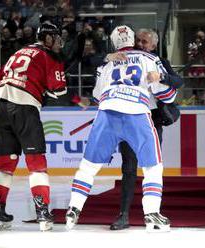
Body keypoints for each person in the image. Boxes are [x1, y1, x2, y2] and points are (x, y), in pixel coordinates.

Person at [65, 25, 177, 232]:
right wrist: (161, 82)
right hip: (137, 113)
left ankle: (73, 208)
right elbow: (168, 96)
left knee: (88, 166)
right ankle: (152, 214)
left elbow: (98, 97)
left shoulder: (106, 63)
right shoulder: (150, 60)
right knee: (153, 167)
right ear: (133, 40)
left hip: (107, 113)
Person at [0, 22, 84, 232]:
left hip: (0, 106)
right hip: (24, 108)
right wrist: (77, 99)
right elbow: (58, 90)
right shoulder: (48, 56)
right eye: (56, 37)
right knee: (36, 162)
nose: (59, 42)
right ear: (47, 38)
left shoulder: (19, 51)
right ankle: (42, 214)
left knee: (5, 163)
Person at [105, 28, 183, 230]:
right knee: (128, 168)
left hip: (152, 120)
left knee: (152, 167)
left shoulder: (159, 61)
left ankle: (152, 213)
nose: (140, 44)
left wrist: (161, 77)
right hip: (129, 118)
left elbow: (178, 81)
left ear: (154, 45)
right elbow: (93, 62)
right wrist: (107, 56)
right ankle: (123, 215)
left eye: (144, 42)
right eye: (138, 40)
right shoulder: (123, 57)